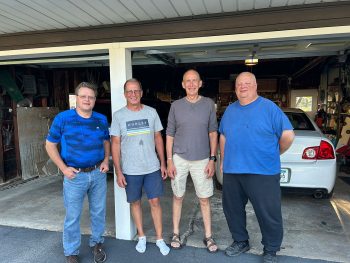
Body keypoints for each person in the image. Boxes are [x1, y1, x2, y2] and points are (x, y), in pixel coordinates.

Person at [219, 72, 295, 263]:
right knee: (233, 209)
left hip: (263, 171)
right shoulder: (230, 110)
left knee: (268, 212)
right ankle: (240, 241)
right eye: (239, 84)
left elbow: (288, 135)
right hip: (233, 170)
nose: (243, 87)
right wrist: (223, 160)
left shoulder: (269, 108)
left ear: (255, 86)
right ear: (235, 88)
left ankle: (270, 249)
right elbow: (223, 136)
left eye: (247, 83)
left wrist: (273, 153)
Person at [46, 82, 110, 263]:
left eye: (91, 97)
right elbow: (50, 145)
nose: (87, 100)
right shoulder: (63, 118)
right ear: (77, 98)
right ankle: (71, 252)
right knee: (73, 216)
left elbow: (106, 141)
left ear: (95, 100)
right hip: (75, 176)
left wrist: (106, 160)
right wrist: (63, 168)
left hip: (98, 173)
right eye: (83, 96)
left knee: (98, 212)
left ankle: (97, 243)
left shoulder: (101, 119)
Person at [110, 78, 170, 256]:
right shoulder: (119, 116)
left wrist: (163, 163)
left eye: (136, 91)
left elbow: (158, 138)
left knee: (155, 202)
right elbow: (115, 144)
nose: (133, 94)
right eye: (129, 92)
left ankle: (159, 238)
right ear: (125, 95)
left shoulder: (152, 112)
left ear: (142, 93)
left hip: (152, 167)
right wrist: (118, 171)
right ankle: (141, 236)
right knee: (135, 202)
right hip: (130, 169)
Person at [166, 69, 218, 253]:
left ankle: (208, 236)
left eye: (194, 80)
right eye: (187, 81)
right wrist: (169, 160)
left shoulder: (209, 104)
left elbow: (213, 133)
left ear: (200, 83)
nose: (191, 84)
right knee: (178, 197)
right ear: (182, 84)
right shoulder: (176, 106)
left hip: (203, 159)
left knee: (204, 199)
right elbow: (169, 135)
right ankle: (175, 233)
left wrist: (212, 159)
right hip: (179, 158)